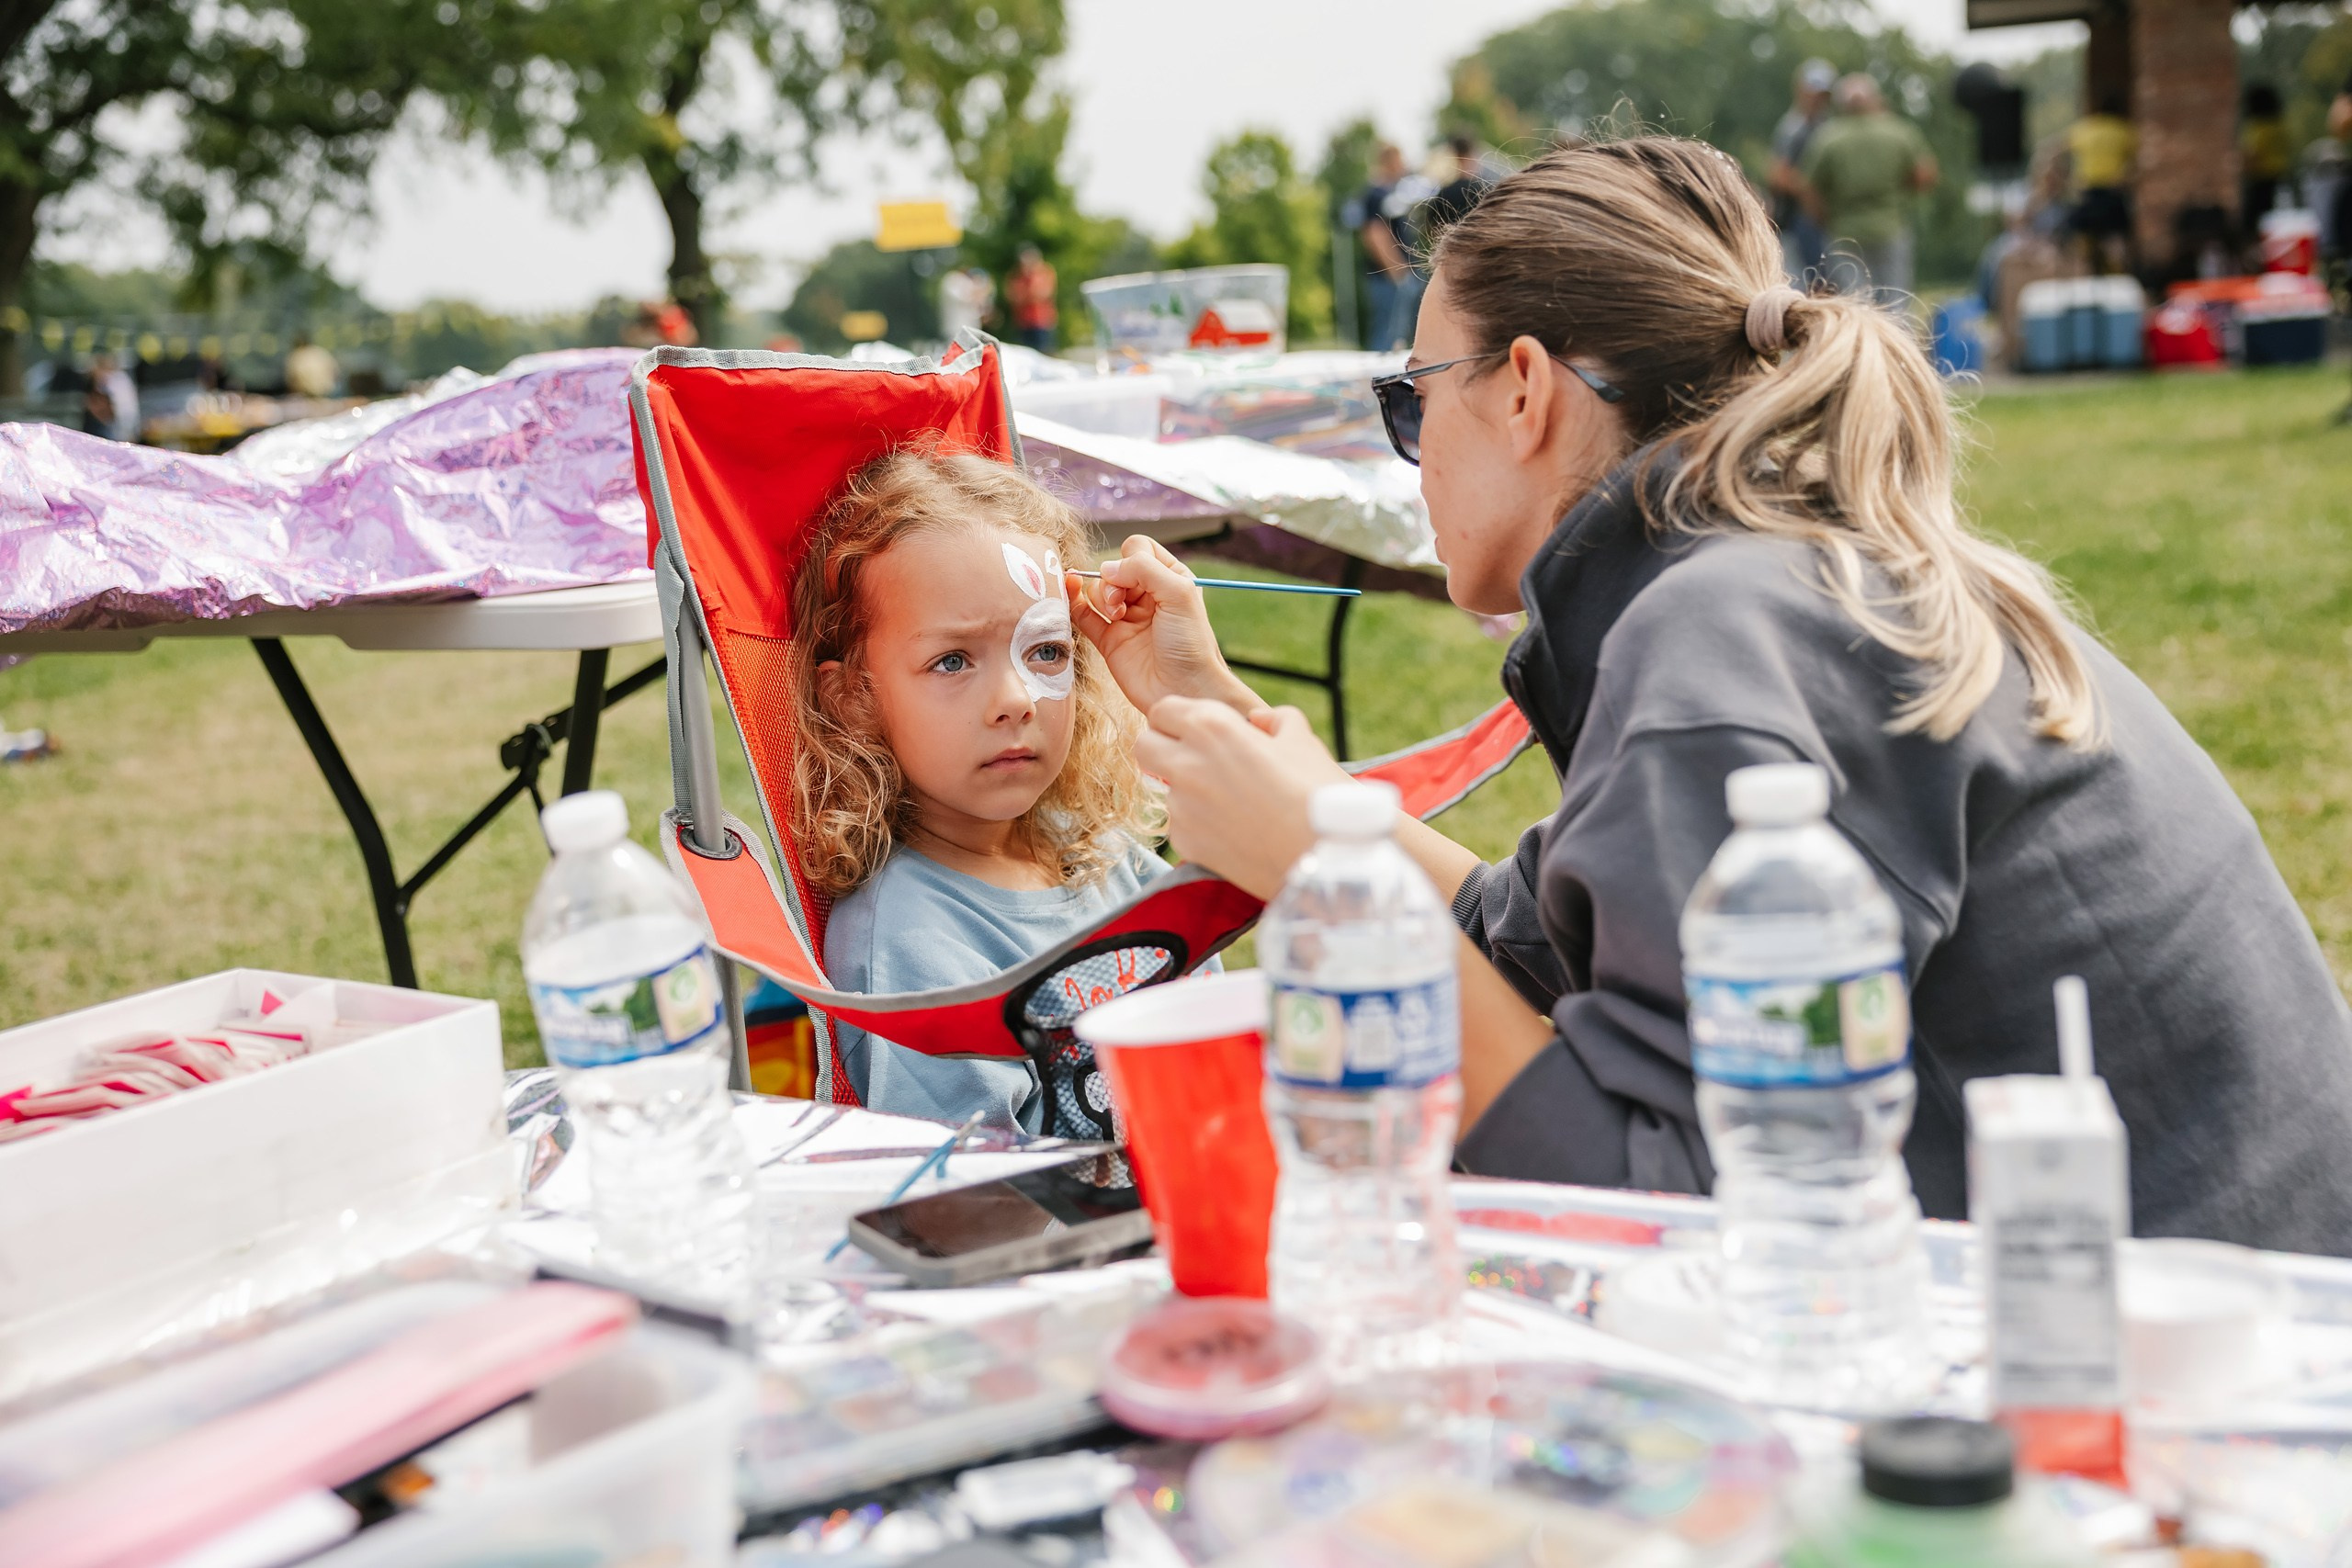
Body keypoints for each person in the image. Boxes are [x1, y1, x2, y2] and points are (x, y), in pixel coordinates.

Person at [1081, 135, 2352, 1258]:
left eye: (1411, 401)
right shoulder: (1767, 574)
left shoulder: (1720, 633)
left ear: (1522, 389)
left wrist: (1325, 878)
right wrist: (1232, 732)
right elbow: (1528, 938)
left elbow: (1674, 1213)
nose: (1409, 453)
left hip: (2187, 1375)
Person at [786, 450, 1183, 1129]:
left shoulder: (1102, 854)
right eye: (952, 661)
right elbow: (974, 1185)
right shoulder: (910, 945)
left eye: (1046, 651)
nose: (1016, 699)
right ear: (856, 697)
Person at [1800, 73, 1938, 302]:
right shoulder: (1898, 132)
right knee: (1895, 300)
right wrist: (1902, 193)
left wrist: (1825, 219)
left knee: (1854, 303)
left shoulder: (1828, 138)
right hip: (1890, 227)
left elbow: (1808, 189)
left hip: (1844, 232)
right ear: (1875, 99)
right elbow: (1925, 175)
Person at [1344, 142, 1424, 352]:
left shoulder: (1389, 193)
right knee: (1387, 337)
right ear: (1390, 162)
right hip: (1389, 279)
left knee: (1396, 337)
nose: (1403, 166)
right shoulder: (1376, 194)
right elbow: (1375, 235)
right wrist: (1399, 273)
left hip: (1394, 277)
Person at [1768, 59, 1838, 286]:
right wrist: (1810, 193)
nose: (1818, 100)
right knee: (1804, 284)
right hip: (1796, 220)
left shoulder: (1827, 126)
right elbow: (1778, 175)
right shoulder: (1793, 128)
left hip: (1822, 222)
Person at [2064, 93, 2137, 276]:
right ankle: (2120, 277)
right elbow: (2136, 164)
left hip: (2088, 193)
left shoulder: (2084, 129)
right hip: (2113, 193)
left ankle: (2083, 277)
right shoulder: (2124, 130)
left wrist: (2069, 181)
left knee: (2083, 240)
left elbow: (2061, 153)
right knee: (2115, 240)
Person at [1419, 134, 1488, 243]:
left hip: (1450, 248)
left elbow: (1431, 230)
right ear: (1472, 155)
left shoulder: (1443, 193)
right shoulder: (1483, 191)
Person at [2241, 83, 2291, 230]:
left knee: (2255, 225)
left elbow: (2252, 155)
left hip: (2260, 181)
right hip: (2280, 178)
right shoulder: (2279, 125)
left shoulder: (2258, 127)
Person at [1006, 246, 1058, 354]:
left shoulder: (1044, 272)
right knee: (1025, 354)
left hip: (1042, 321)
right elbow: (1013, 296)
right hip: (1023, 322)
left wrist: (1029, 289)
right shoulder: (1017, 275)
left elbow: (1044, 293)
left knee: (1044, 353)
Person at [939, 265, 993, 344]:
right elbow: (966, 296)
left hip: (972, 330)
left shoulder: (966, 283)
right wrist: (981, 290)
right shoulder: (953, 279)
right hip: (956, 329)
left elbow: (980, 306)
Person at [284, 333, 338, 400]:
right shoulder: (321, 352)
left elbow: (291, 380)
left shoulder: (295, 356)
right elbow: (335, 371)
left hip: (306, 394)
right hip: (326, 392)